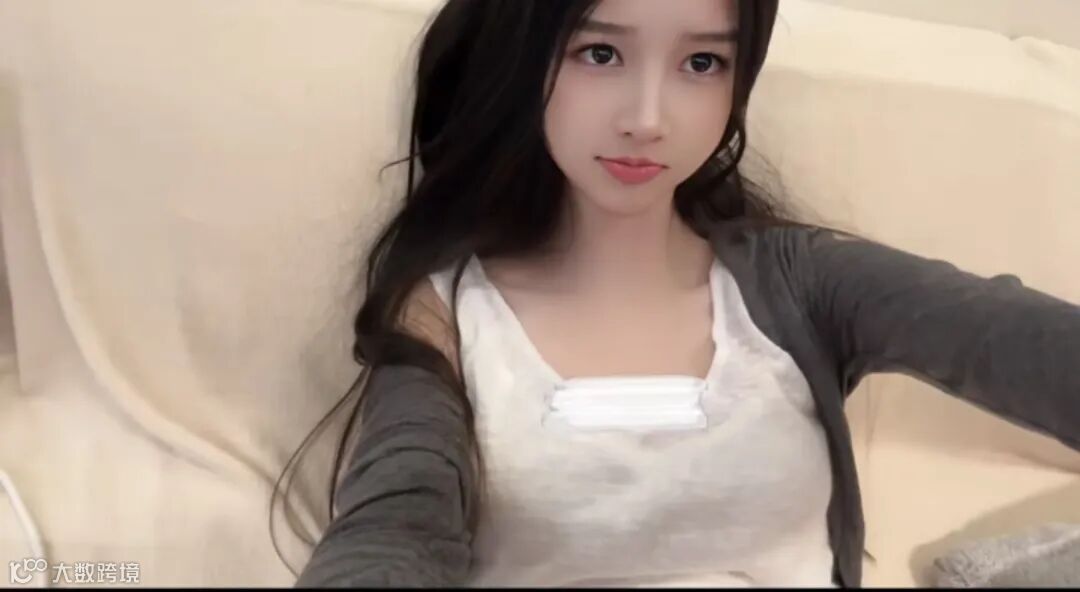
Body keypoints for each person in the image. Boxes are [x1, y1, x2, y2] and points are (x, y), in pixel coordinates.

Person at [275, 0, 1080, 587]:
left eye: (702, 63)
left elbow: (1013, 341)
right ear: (523, 58)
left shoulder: (803, 283)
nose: (649, 118)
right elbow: (396, 521)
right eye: (599, 53)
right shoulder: (444, 313)